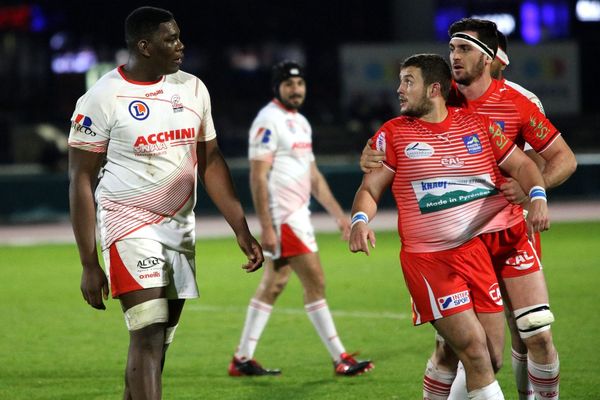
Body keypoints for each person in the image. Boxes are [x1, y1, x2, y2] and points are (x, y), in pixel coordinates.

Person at [359, 19, 576, 400]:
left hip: (507, 233)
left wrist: (533, 192)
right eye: (453, 49)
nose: (455, 57)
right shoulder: (440, 96)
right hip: (453, 244)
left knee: (535, 330)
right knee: (460, 349)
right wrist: (371, 153)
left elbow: (561, 160)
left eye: (464, 49)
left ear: (492, 59)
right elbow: (394, 141)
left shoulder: (518, 103)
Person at [68, 7, 263, 399]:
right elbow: (81, 179)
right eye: (170, 39)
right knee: (148, 331)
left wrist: (241, 227)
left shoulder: (192, 88)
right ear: (144, 46)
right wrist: (89, 263)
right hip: (129, 226)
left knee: (158, 344)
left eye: (179, 36)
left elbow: (209, 160)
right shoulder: (102, 98)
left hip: (179, 227)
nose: (180, 45)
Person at [228, 60, 374, 377]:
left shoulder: (301, 123)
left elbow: (314, 177)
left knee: (275, 283)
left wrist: (340, 215)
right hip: (284, 220)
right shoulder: (268, 120)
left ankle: (242, 359)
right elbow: (257, 176)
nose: (296, 89)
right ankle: (340, 357)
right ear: (277, 87)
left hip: (297, 217)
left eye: (300, 84)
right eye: (289, 84)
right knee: (316, 282)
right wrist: (267, 227)